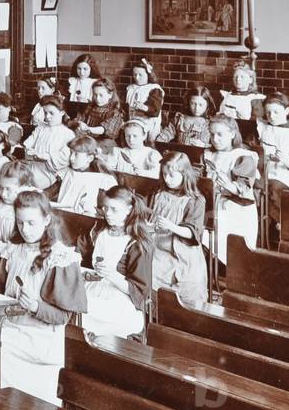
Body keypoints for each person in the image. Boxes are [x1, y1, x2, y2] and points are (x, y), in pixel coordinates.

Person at [0, 191, 87, 405]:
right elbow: (0, 289)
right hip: (12, 327)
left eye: (31, 223)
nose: (25, 230)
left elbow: (63, 317)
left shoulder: (60, 257)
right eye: (20, 223)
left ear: (47, 220)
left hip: (41, 337)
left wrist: (36, 306)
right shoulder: (14, 249)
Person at [77, 186, 153, 340]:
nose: (107, 214)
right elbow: (80, 254)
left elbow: (140, 291)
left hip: (120, 294)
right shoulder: (98, 230)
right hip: (93, 286)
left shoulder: (137, 243)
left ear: (128, 209)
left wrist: (112, 275)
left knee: (107, 324)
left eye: (114, 210)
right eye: (105, 208)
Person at [148, 152, 208, 305]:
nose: (167, 179)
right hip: (157, 246)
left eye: (172, 176)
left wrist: (171, 226)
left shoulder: (195, 200)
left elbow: (192, 233)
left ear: (185, 174)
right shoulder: (158, 193)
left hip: (182, 251)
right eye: (164, 174)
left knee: (182, 284)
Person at [203, 114, 259, 264]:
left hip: (236, 205)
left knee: (214, 224)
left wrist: (228, 185)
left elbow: (244, 189)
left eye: (220, 134)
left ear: (232, 134)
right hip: (212, 200)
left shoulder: (243, 156)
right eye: (212, 134)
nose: (215, 139)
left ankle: (222, 263)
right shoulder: (208, 153)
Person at [0, 160, 54, 245]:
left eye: (8, 189)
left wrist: (6, 248)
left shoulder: (31, 211)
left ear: (25, 187)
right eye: (1, 188)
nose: (3, 194)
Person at [51, 135, 118, 215]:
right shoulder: (67, 173)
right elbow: (52, 190)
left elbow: (106, 207)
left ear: (89, 158)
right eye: (71, 153)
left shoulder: (102, 180)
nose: (71, 158)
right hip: (61, 214)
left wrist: (94, 210)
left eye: (76, 155)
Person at [23, 96, 75, 176]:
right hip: (33, 164)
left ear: (62, 113)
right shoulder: (40, 128)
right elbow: (29, 142)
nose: (47, 117)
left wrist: (45, 156)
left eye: (51, 113)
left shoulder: (67, 134)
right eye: (45, 113)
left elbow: (65, 158)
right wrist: (27, 149)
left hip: (51, 170)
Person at [125, 56, 164, 141]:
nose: (137, 77)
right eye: (135, 74)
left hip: (149, 125)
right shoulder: (130, 88)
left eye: (140, 75)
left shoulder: (154, 89)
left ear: (148, 75)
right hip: (133, 123)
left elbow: (155, 110)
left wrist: (144, 107)